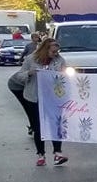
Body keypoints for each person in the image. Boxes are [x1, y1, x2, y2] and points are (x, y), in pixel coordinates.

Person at [11, 37, 68, 165]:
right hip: (34, 97)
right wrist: (29, 73)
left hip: (53, 98)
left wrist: (63, 75)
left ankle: (57, 153)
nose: (55, 54)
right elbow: (19, 76)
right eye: (53, 52)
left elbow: (65, 76)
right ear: (45, 49)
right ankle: (41, 155)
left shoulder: (59, 60)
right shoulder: (31, 59)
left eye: (57, 52)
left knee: (56, 124)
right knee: (38, 126)